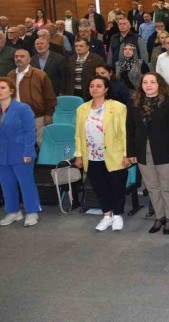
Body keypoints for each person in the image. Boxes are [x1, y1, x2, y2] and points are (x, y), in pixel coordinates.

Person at [126, 72, 169, 235]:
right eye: (145, 82)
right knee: (152, 187)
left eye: (152, 82)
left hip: (165, 152)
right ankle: (160, 217)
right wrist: (131, 152)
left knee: (167, 187)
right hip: (142, 151)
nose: (148, 85)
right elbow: (129, 129)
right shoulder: (134, 102)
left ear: (160, 84)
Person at [0, 78, 40, 227]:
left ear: (11, 91)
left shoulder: (22, 108)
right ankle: (13, 212)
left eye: (2, 88)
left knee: (26, 183)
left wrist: (28, 152)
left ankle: (32, 212)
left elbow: (30, 131)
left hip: (20, 151)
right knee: (6, 184)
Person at [74, 77, 129, 232]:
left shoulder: (118, 107)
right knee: (100, 187)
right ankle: (107, 215)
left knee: (116, 186)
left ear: (106, 89)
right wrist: (78, 154)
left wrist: (126, 154)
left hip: (114, 154)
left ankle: (117, 215)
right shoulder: (82, 109)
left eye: (99, 86)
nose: (95, 89)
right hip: (92, 155)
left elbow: (125, 133)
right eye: (92, 86)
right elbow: (78, 134)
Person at [7, 49, 57, 145]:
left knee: (41, 143)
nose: (18, 58)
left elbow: (50, 96)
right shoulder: (10, 75)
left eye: (22, 56)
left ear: (29, 59)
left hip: (37, 116)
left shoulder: (40, 75)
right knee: (20, 143)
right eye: (16, 56)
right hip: (16, 116)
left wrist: (49, 114)